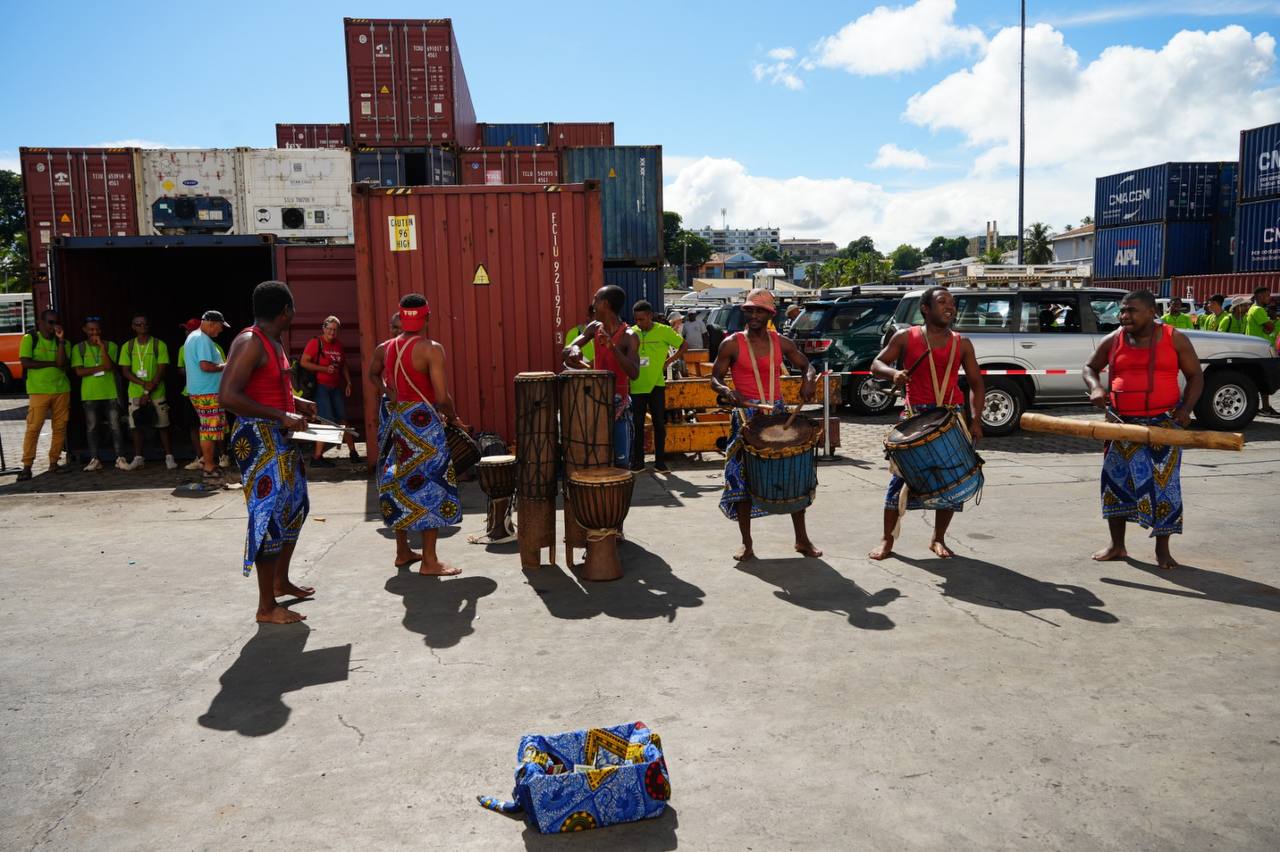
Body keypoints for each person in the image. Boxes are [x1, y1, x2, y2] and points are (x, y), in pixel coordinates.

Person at [219, 281, 318, 624]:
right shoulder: (249, 342)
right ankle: (265, 607)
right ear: (286, 310)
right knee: (269, 517)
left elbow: (268, 387)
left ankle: (280, 580)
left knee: (296, 507)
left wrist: (297, 403)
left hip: (281, 436)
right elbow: (227, 396)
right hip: (259, 438)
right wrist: (280, 414)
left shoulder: (273, 342)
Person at [1083, 289, 1203, 570]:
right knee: (1115, 485)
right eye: (1122, 310)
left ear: (1152, 312)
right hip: (1121, 425)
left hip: (1164, 426)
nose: (1124, 316)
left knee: (1165, 488)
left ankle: (1162, 550)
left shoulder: (1175, 338)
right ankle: (1117, 545)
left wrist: (1186, 408)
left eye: (1132, 310)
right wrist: (1096, 387)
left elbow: (1195, 375)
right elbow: (1089, 367)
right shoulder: (1113, 339)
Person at [868, 287, 985, 561]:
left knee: (951, 480)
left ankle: (938, 538)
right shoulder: (905, 337)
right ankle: (887, 540)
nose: (950, 307)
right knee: (899, 481)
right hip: (915, 418)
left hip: (951, 417)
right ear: (925, 308)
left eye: (952, 303)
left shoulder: (962, 343)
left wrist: (976, 420)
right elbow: (876, 364)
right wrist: (893, 373)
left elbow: (977, 384)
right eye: (942, 302)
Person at [711, 288, 819, 561]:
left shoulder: (781, 342)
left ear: (771, 314)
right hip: (746, 417)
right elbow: (715, 378)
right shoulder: (732, 343)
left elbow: (807, 365)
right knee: (741, 478)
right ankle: (746, 543)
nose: (754, 315)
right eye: (750, 310)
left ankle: (802, 540)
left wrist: (808, 380)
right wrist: (727, 391)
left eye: (760, 310)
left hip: (778, 414)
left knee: (793, 474)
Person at [378, 294, 464, 575]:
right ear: (427, 317)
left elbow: (375, 375)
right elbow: (441, 397)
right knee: (431, 484)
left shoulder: (386, 348)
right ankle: (429, 560)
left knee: (401, 481)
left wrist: (390, 393)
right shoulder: (431, 349)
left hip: (400, 422)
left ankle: (402, 551)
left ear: (402, 318)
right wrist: (454, 418)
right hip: (424, 424)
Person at [563, 285, 640, 468]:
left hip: (618, 404)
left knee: (621, 465)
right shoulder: (594, 327)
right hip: (595, 402)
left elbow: (634, 373)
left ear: (605, 304)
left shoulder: (629, 335)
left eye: (595, 300)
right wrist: (574, 349)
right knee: (595, 461)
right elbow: (568, 349)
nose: (593, 305)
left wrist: (612, 347)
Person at [629, 300, 686, 472]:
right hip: (636, 386)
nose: (639, 323)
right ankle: (638, 462)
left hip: (656, 385)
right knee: (637, 425)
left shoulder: (664, 331)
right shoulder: (631, 332)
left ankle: (660, 462)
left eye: (641, 319)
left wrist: (668, 361)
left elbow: (684, 346)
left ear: (650, 316)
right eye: (636, 319)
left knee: (659, 424)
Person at [17, 309, 72, 480]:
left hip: (61, 389)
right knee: (34, 427)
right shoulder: (30, 339)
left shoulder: (64, 343)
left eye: (56, 322)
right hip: (38, 390)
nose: (53, 326)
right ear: (40, 323)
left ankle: (54, 462)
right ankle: (27, 465)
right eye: (50, 322)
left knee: (60, 427)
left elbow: (62, 364)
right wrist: (51, 363)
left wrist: (61, 341)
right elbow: (26, 362)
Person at [301, 315, 362, 466]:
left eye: (335, 329)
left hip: (335, 387)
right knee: (326, 421)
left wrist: (348, 382)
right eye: (329, 329)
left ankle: (353, 452)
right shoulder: (316, 342)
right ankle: (317, 458)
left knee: (343, 419)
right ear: (323, 328)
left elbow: (343, 364)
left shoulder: (339, 345)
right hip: (320, 387)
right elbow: (304, 362)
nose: (332, 332)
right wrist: (324, 369)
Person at [118, 314, 177, 471]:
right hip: (135, 392)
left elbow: (161, 370)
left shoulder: (159, 345)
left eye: (145, 324)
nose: (142, 326)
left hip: (156, 391)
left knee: (163, 425)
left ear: (149, 325)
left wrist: (147, 391)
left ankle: (169, 457)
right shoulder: (128, 346)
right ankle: (138, 458)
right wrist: (144, 385)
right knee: (136, 427)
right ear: (133, 327)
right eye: (138, 324)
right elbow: (125, 371)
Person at [71, 316, 128, 471]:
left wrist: (102, 347)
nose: (94, 332)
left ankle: (120, 458)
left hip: (110, 393)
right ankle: (95, 459)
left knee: (115, 426)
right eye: (91, 329)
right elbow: (79, 372)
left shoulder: (111, 346)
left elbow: (109, 366)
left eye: (97, 329)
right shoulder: (78, 348)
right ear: (85, 330)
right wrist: (100, 368)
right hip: (89, 394)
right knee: (92, 427)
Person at [184, 310, 229, 482]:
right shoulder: (202, 339)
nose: (221, 330)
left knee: (207, 428)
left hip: (201, 391)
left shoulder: (193, 336)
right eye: (220, 326)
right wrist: (227, 365)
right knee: (209, 430)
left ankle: (206, 460)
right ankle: (209, 466)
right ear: (211, 323)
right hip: (207, 392)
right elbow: (205, 366)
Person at [367, 311, 402, 462]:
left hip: (415, 403)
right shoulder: (383, 348)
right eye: (395, 327)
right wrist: (388, 392)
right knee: (388, 445)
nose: (398, 331)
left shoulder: (421, 348)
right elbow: (373, 374)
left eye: (402, 328)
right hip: (391, 402)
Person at [1243, 287, 1276, 414]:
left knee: (1258, 379)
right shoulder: (1258, 310)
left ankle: (1264, 407)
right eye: (1267, 295)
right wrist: (1272, 320)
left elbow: (1267, 328)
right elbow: (1270, 327)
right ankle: (1263, 408)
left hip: (1253, 348)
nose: (1269, 298)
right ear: (1260, 295)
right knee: (1263, 378)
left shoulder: (1252, 308)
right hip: (1260, 349)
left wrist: (1268, 326)